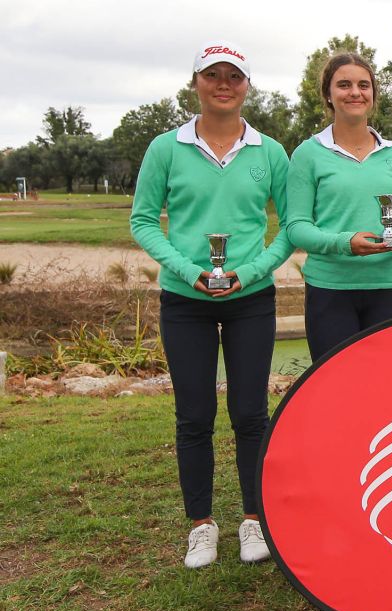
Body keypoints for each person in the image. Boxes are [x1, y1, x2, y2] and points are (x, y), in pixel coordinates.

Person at [130, 40, 293, 568]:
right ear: (195, 81)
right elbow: (141, 221)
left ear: (247, 85)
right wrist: (190, 270)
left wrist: (245, 272)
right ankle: (201, 524)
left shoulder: (269, 152)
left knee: (250, 412)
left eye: (234, 76)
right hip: (185, 298)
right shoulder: (165, 147)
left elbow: (289, 229)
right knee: (194, 415)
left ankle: (253, 518)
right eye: (213, 75)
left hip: (250, 298)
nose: (223, 84)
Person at [287, 53, 392, 359]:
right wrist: (344, 243)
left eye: (364, 85)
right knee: (334, 390)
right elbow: (297, 227)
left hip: (388, 287)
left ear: (373, 94)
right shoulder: (308, 154)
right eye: (344, 84)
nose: (355, 92)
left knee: (385, 387)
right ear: (328, 95)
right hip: (330, 290)